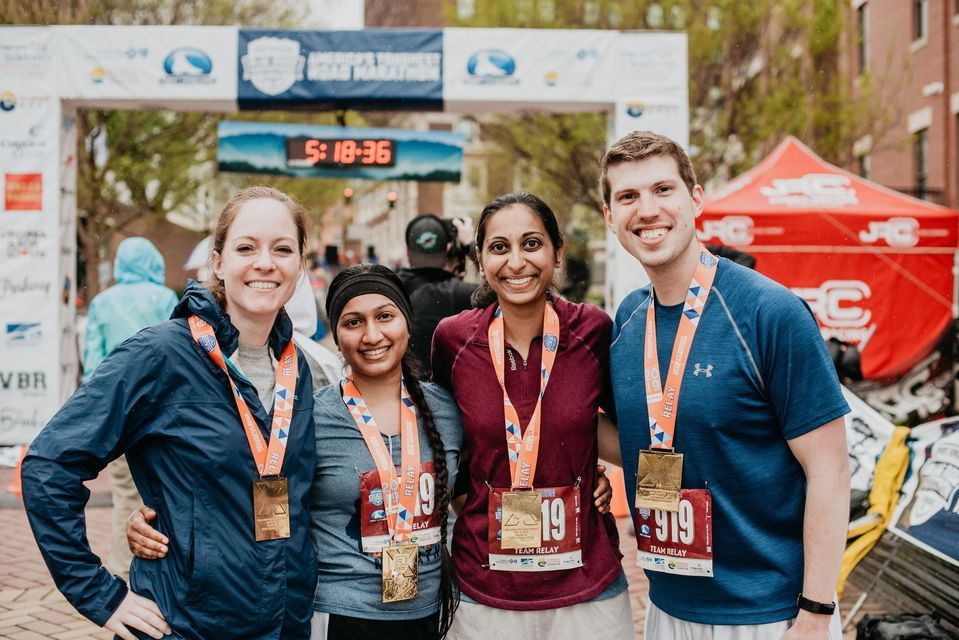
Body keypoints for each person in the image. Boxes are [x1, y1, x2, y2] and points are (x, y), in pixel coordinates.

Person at [22, 185, 318, 640]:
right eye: (246, 247)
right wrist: (100, 595)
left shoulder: (300, 367)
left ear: (300, 266)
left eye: (282, 249)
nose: (265, 263)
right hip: (186, 625)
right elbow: (48, 467)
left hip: (284, 624)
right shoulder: (161, 354)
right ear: (218, 262)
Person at [601, 131, 851, 639]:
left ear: (695, 199)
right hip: (667, 608)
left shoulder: (770, 312)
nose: (646, 209)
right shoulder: (628, 319)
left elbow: (830, 469)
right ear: (610, 217)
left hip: (770, 614)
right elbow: (634, 438)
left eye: (662, 190)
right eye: (628, 196)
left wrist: (815, 613)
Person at [129, 264, 465, 640]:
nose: (372, 335)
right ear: (336, 336)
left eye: (385, 316)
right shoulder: (309, 414)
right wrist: (157, 521)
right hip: (336, 615)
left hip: (431, 612)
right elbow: (244, 496)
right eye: (353, 322)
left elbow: (472, 497)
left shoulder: (446, 410)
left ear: (406, 322)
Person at [430, 192, 633, 639]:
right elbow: (445, 444)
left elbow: (631, 433)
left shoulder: (593, 330)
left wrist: (588, 472)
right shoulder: (453, 340)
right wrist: (471, 502)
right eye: (499, 247)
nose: (516, 261)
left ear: (557, 252)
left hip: (588, 586)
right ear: (480, 259)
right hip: (484, 587)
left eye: (532, 244)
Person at [82, 236, 178, 580]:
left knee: (124, 492)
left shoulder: (102, 303)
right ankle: (163, 565)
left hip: (119, 414)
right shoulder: (166, 298)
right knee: (167, 492)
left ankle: (124, 571)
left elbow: (92, 363)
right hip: (163, 413)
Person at [397, 214, 477, 376]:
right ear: (448, 249)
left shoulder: (390, 288)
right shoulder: (458, 294)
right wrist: (471, 247)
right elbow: (503, 293)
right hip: (445, 397)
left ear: (407, 250)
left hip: (401, 394)